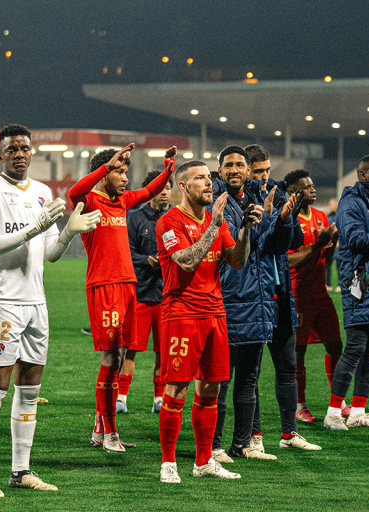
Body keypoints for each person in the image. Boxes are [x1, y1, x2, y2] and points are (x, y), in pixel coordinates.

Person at [0, 124, 101, 497]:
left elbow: (50, 253)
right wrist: (35, 227)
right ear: (0, 154)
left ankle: (20, 471)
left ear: (32, 152)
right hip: (1, 302)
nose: (19, 154)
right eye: (12, 149)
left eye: (25, 148)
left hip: (35, 303)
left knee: (29, 390)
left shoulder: (43, 192)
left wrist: (68, 233)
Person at [155, 160, 260, 483]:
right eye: (200, 178)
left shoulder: (219, 221)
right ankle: (168, 463)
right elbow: (186, 262)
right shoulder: (169, 222)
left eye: (208, 178)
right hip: (182, 313)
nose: (208, 183)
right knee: (177, 388)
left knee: (211, 388)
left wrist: (245, 230)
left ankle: (204, 462)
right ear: (183, 186)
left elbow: (237, 261)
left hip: (215, 313)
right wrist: (214, 225)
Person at [68, 144, 176, 452]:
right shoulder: (89, 201)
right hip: (104, 286)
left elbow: (149, 190)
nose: (126, 178)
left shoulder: (123, 201)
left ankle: (100, 428)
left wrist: (168, 167)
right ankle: (110, 433)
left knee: (119, 358)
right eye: (119, 172)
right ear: (104, 174)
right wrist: (105, 167)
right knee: (111, 358)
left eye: (126, 172)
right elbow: (74, 192)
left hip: (129, 286)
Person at [210, 146, 307, 461]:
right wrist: (263, 221)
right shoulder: (216, 202)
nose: (235, 170)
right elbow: (233, 245)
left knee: (249, 379)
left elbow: (273, 246)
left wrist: (283, 219)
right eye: (229, 165)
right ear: (221, 170)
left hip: (258, 299)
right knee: (221, 380)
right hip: (229, 298)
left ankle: (242, 444)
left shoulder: (254, 199)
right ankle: (213, 446)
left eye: (239, 165)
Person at [239, 144, 319, 459]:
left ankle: (289, 433)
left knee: (288, 367)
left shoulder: (278, 194)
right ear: (245, 170)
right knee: (251, 374)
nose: (263, 176)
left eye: (267, 170)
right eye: (257, 171)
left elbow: (294, 240)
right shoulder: (239, 200)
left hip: (280, 292)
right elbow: (257, 243)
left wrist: (288, 215)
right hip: (253, 297)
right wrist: (272, 217)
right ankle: (254, 437)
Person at [324, 155, 369, 430]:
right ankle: (333, 412)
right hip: (359, 280)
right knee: (355, 348)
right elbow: (355, 240)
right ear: (362, 175)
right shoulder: (350, 202)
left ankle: (358, 412)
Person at [282, 169, 342, 424]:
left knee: (336, 346)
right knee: (299, 351)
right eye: (306, 187)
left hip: (320, 293)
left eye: (313, 185)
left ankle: (338, 402)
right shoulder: (287, 220)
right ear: (293, 192)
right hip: (298, 295)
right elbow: (288, 261)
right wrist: (318, 245)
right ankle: (300, 405)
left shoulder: (320, 216)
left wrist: (331, 242)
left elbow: (325, 258)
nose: (313, 190)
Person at [119, 168, 174, 414]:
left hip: (166, 296)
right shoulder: (135, 218)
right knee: (131, 348)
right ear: (150, 191)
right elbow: (126, 252)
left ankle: (159, 399)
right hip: (140, 293)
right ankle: (121, 398)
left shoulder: (175, 218)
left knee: (164, 351)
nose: (165, 193)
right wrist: (146, 261)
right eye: (160, 188)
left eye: (168, 188)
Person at [326, 198, 339, 291]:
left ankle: (340, 285)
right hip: (329, 245)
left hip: (338, 246)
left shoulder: (341, 216)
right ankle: (328, 284)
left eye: (331, 204)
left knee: (340, 265)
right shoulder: (327, 217)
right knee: (327, 264)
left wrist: (339, 241)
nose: (330, 206)